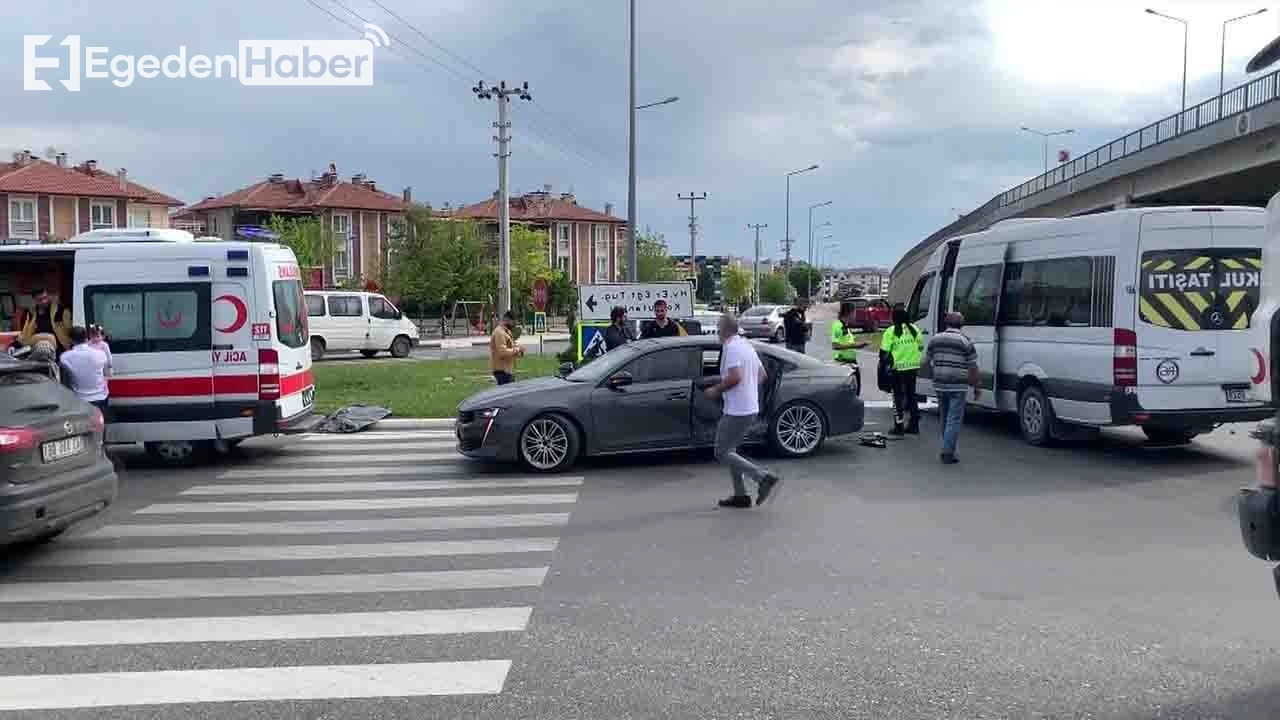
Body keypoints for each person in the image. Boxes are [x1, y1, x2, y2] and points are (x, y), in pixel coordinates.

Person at [705, 313, 783, 509]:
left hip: (737, 411)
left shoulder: (730, 348)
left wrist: (716, 390)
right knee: (732, 451)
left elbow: (735, 378)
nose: (717, 332)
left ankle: (762, 477)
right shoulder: (746, 346)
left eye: (718, 328)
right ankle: (741, 496)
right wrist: (745, 390)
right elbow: (762, 375)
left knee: (721, 452)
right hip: (750, 408)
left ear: (722, 330)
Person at [925, 311, 981, 464]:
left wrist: (933, 374)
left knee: (944, 416)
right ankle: (947, 451)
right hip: (958, 385)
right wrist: (977, 386)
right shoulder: (965, 341)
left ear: (946, 323)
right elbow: (973, 366)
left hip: (939, 383)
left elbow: (926, 361)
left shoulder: (935, 339)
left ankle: (946, 446)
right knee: (954, 418)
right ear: (961, 325)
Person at [880, 305, 924, 436]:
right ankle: (914, 425)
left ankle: (899, 426)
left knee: (897, 397)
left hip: (898, 368)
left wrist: (885, 365)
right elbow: (921, 347)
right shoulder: (915, 329)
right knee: (911, 396)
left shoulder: (891, 331)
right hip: (913, 367)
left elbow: (884, 352)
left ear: (894, 318)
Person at [59, 326, 110, 413]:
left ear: (71, 340)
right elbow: (106, 372)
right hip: (100, 398)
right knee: (99, 424)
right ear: (87, 338)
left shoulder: (64, 357)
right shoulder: (101, 354)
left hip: (79, 399)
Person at [20, 289, 71, 353]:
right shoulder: (31, 313)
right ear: (35, 300)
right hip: (38, 349)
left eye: (45, 297)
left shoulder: (61, 310)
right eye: (40, 300)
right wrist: (16, 344)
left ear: (48, 295)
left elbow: (69, 329)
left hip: (59, 349)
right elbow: (25, 333)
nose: (44, 301)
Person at [831, 302, 866, 393]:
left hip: (851, 361)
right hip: (843, 362)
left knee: (856, 390)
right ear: (849, 313)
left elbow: (847, 342)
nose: (855, 315)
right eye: (854, 312)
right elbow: (835, 345)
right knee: (850, 392)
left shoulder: (846, 326)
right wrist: (854, 345)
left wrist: (858, 345)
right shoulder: (838, 325)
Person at [488, 311, 525, 385]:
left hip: (507, 370)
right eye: (513, 322)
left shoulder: (506, 332)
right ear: (506, 319)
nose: (514, 324)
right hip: (502, 372)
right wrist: (517, 350)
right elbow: (502, 352)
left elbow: (510, 350)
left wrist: (519, 352)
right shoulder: (499, 332)